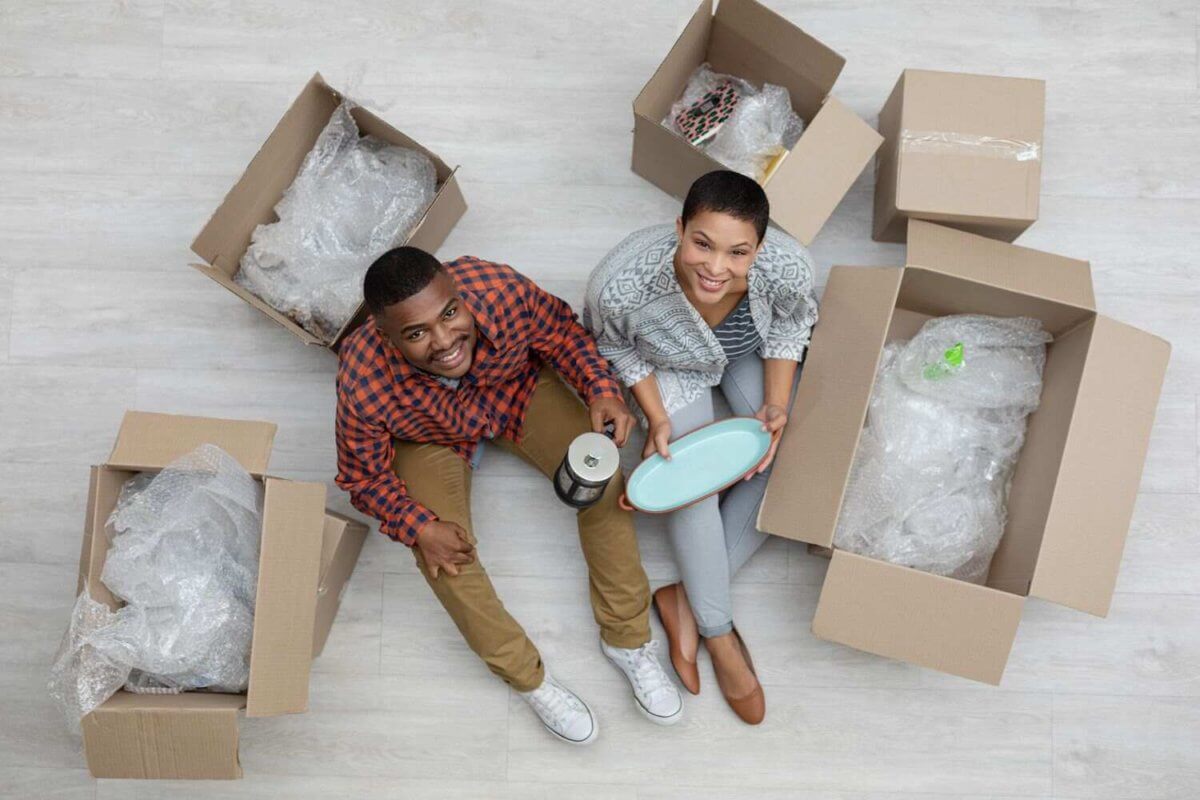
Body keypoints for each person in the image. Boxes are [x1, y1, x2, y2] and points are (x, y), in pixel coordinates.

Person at [336, 246, 683, 745]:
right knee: (442, 558)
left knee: (604, 479)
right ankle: (530, 679)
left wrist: (600, 388)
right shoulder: (361, 376)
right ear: (385, 335)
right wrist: (419, 527)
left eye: (450, 314)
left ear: (458, 293)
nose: (445, 341)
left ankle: (627, 640)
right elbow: (361, 476)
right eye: (416, 334)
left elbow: (563, 334)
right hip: (430, 436)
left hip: (516, 392)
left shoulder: (497, 289)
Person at [584, 170, 818, 724]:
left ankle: (684, 600)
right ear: (679, 228)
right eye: (702, 244)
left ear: (759, 248)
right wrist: (657, 417)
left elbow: (790, 325)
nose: (716, 268)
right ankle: (719, 635)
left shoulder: (789, 268)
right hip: (668, 364)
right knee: (686, 479)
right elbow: (617, 347)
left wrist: (776, 409)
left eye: (738, 253)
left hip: (742, 350)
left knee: (785, 454)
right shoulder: (620, 285)